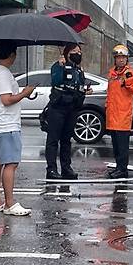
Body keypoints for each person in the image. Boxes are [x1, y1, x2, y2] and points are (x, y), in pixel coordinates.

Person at [0, 40, 36, 216]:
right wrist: (24, 93)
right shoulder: (4, 74)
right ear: (12, 55)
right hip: (6, 124)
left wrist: (22, 95)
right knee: (11, 164)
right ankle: (9, 203)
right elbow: (6, 100)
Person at [45, 43, 92, 180]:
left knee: (66, 140)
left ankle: (66, 168)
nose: (78, 53)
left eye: (79, 51)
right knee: (53, 140)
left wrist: (85, 91)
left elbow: (79, 86)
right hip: (58, 107)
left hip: (72, 108)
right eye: (74, 51)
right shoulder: (58, 66)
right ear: (67, 53)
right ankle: (51, 170)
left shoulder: (78, 70)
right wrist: (61, 67)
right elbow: (56, 81)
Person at [105, 44, 133, 179]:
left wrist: (128, 81)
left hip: (123, 115)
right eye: (118, 57)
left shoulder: (129, 73)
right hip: (113, 115)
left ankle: (122, 169)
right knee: (116, 146)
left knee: (122, 146)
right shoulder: (112, 73)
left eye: (123, 58)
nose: (121, 60)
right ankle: (118, 167)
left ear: (127, 59)